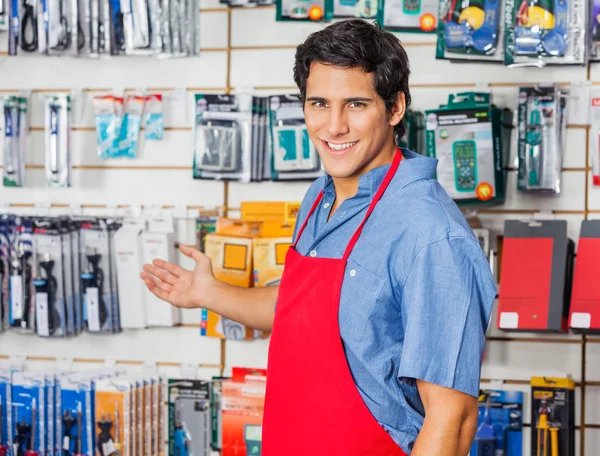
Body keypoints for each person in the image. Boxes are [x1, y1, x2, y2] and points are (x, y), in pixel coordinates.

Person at [141, 19, 496, 456]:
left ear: (396, 107)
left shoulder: (431, 236)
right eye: (319, 104)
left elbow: (453, 420)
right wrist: (208, 291)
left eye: (356, 105)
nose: (334, 126)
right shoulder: (320, 195)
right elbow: (303, 308)